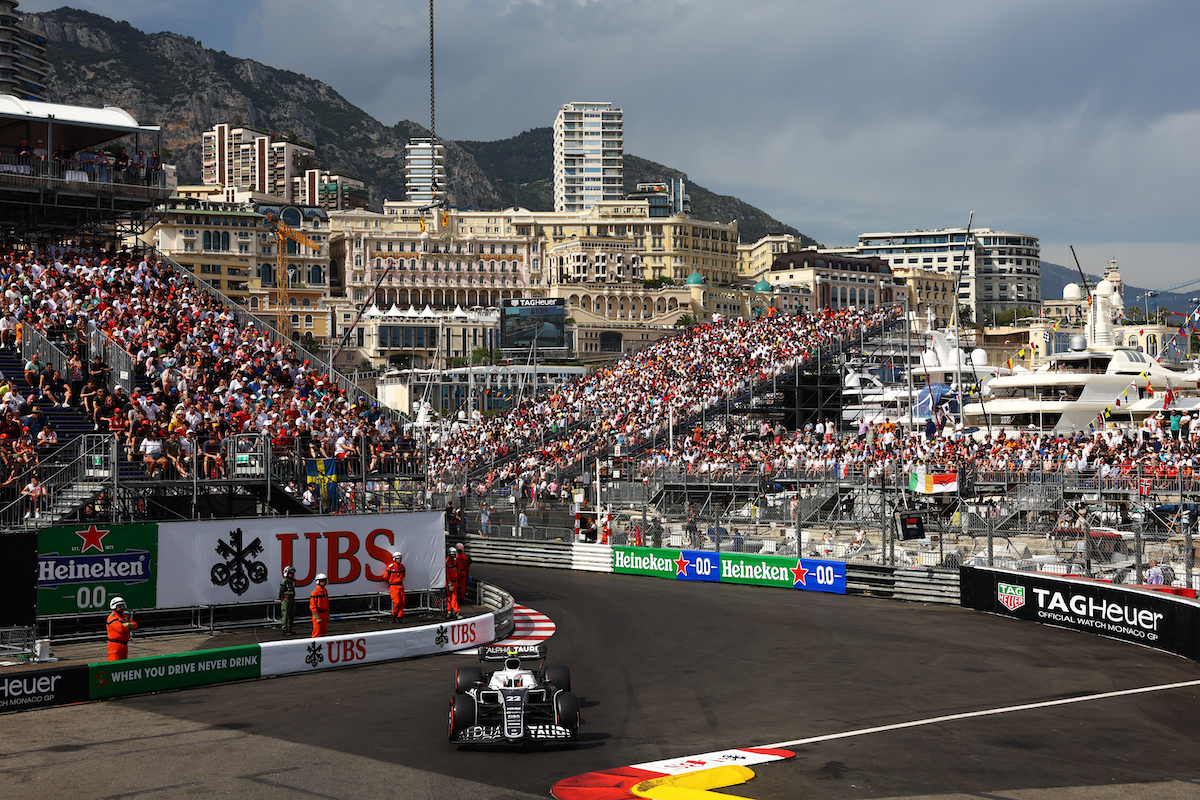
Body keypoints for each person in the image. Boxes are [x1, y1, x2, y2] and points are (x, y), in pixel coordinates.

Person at [106, 596, 137, 661]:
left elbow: (135, 625)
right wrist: (129, 626)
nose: (122, 608)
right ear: (114, 607)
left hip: (124, 645)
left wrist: (126, 625)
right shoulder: (112, 618)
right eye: (119, 606)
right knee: (114, 664)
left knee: (123, 665)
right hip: (115, 646)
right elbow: (121, 629)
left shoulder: (125, 616)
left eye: (123, 606)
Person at [385, 551, 405, 622]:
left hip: (400, 585)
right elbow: (385, 576)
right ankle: (393, 615)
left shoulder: (402, 567)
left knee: (402, 602)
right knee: (397, 602)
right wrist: (391, 582)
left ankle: (400, 617)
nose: (400, 559)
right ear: (394, 559)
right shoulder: (390, 567)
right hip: (394, 586)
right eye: (398, 558)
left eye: (400, 558)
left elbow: (403, 575)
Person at [309, 572, 329, 637]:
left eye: (324, 581)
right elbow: (312, 606)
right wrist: (317, 617)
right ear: (318, 582)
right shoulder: (315, 592)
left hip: (324, 614)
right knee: (317, 632)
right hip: (319, 614)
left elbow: (327, 604)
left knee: (324, 632)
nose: (324, 583)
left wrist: (328, 614)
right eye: (322, 581)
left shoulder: (325, 591)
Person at [278, 565, 296, 634]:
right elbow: (281, 590)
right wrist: (281, 598)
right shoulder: (284, 581)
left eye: (292, 573)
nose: (292, 575)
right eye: (290, 573)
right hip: (286, 599)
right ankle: (284, 629)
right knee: (285, 614)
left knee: (291, 614)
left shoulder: (292, 581)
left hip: (292, 599)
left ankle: (289, 628)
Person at [444, 546, 460, 617]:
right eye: (452, 554)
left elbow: (458, 568)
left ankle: (449, 611)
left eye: (454, 554)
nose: (453, 556)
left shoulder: (455, 561)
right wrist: (449, 582)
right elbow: (446, 573)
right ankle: (456, 611)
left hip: (455, 581)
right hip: (449, 582)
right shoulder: (447, 562)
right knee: (452, 597)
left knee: (451, 597)